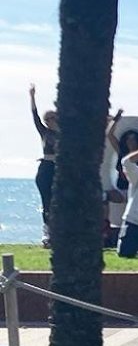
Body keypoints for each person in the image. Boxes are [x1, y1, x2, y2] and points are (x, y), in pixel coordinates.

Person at [29, 84, 58, 246]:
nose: (49, 122)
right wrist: (32, 97)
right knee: (46, 201)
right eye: (47, 119)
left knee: (58, 201)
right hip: (46, 168)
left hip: (59, 169)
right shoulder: (44, 132)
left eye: (52, 118)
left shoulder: (64, 134)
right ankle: (47, 233)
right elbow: (34, 117)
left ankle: (59, 231)